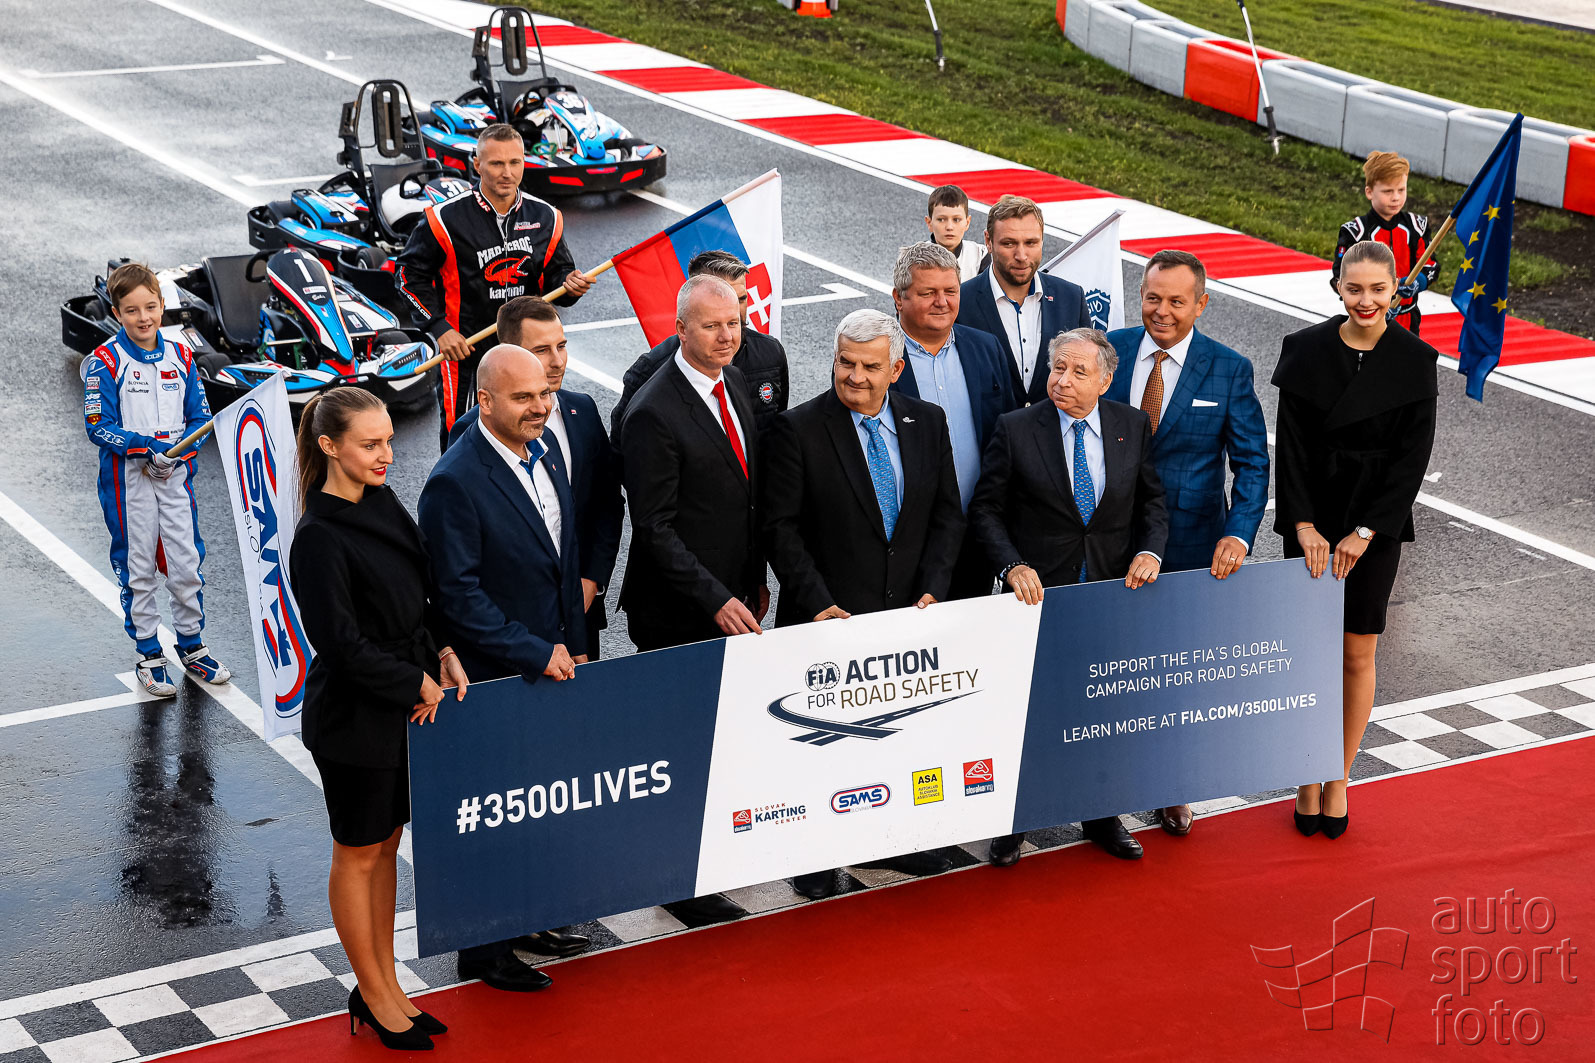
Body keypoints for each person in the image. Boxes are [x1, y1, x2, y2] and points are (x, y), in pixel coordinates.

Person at [289, 387, 470, 1051]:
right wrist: (413, 680)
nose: (386, 454)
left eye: (388, 440)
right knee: (358, 852)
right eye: (370, 444)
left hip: (401, 709)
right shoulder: (318, 537)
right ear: (330, 446)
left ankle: (386, 985)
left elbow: (419, 594)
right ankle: (371, 991)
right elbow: (340, 644)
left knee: (388, 844)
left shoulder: (382, 499)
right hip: (355, 720)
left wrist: (442, 651)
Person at [761, 309, 966, 897]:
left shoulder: (928, 421)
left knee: (900, 736)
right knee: (823, 744)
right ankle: (815, 858)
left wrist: (934, 588)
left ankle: (895, 841)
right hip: (827, 620)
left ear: (895, 369)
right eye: (845, 363)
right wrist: (817, 602)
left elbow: (946, 515)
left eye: (870, 366)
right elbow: (780, 529)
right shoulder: (796, 430)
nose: (855, 376)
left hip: (908, 617)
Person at [418, 344, 588, 991]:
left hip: (553, 665)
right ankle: (483, 949)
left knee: (539, 804)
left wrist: (575, 644)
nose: (540, 406)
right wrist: (533, 651)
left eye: (543, 393)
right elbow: (458, 597)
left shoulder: (543, 453)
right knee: (496, 811)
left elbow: (561, 562)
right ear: (484, 401)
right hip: (495, 678)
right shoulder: (455, 481)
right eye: (523, 397)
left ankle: (529, 919)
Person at [970, 328, 1168, 866]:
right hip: (1035, 600)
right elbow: (986, 510)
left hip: (1108, 595)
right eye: (1058, 367)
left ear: (1105, 380)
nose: (1063, 380)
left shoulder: (1131, 425)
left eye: (1080, 372)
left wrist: (1150, 551)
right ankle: (1017, 820)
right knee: (1031, 713)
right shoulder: (1015, 428)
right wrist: (1011, 565)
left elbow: (1151, 502)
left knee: (1101, 711)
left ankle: (1100, 815)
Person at [1275, 241, 1438, 841]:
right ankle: (1306, 775)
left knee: (1355, 653)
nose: (1365, 300)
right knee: (1309, 654)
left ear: (1396, 290)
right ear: (1337, 288)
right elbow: (1290, 449)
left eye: (1377, 289)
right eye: (1354, 288)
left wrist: (1366, 531)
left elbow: (1411, 461)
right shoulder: (1304, 350)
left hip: (1374, 526)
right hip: (1313, 523)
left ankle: (1338, 776)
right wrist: (1303, 525)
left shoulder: (1416, 359)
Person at [1105, 250, 1270, 837]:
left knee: (1176, 674)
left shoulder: (1228, 369)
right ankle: (1105, 788)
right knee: (1109, 666)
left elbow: (1253, 463)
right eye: (1153, 298)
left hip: (1189, 545)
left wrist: (1238, 533)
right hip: (1107, 541)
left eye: (1177, 301)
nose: (1163, 311)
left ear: (1201, 304)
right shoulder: (1109, 351)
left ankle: (1173, 787)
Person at [619, 274, 766, 927]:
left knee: (721, 741)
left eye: (733, 322)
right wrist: (716, 598)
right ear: (680, 330)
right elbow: (654, 528)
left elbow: (744, 499)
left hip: (732, 598)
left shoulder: (734, 382)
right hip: (677, 613)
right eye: (712, 326)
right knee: (679, 752)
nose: (727, 335)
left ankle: (713, 858)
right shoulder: (653, 412)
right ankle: (677, 880)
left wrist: (752, 580)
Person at [82, 262, 230, 697]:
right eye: (131, 310)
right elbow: (98, 426)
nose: (143, 318)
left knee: (186, 564)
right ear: (117, 313)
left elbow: (201, 420)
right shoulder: (104, 362)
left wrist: (177, 453)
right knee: (138, 568)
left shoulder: (181, 355)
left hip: (175, 478)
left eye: (150, 307)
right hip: (128, 483)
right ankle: (149, 653)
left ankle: (192, 646)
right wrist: (147, 449)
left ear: (162, 305)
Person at [447, 297, 623, 663]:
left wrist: (591, 580)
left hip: (579, 616)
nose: (557, 361)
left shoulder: (581, 410)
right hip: (515, 633)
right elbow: (464, 571)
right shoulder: (470, 437)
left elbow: (606, 503)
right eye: (541, 350)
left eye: (561, 346)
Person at [396, 123, 592, 450]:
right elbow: (407, 275)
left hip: (528, 351)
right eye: (497, 163)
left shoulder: (547, 216)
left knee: (532, 427)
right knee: (464, 438)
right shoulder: (443, 219)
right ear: (477, 164)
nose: (507, 173)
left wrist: (569, 284)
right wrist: (439, 328)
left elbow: (558, 274)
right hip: (466, 352)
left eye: (515, 162)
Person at [888, 242, 1017, 598]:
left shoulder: (986, 347)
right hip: (909, 537)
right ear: (899, 298)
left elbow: (1006, 435)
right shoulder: (876, 360)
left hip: (977, 530)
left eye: (950, 291)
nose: (942, 302)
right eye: (928, 293)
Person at [610, 250, 789, 448]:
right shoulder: (650, 369)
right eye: (722, 299)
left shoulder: (771, 353)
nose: (735, 310)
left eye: (741, 299)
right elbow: (622, 448)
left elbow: (779, 433)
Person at [957, 195, 1093, 407]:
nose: (1021, 255)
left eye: (1031, 243)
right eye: (1009, 243)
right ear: (988, 241)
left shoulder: (1071, 298)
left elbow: (1088, 373)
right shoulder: (960, 302)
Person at [1331, 151, 1437, 336]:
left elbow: (1431, 266)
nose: (1396, 197)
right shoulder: (1355, 231)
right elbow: (1340, 277)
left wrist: (1417, 282)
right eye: (1388, 191)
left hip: (1407, 317)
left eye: (1401, 190)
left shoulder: (1417, 226)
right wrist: (1370, 303)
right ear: (1369, 192)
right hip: (1367, 318)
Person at [923, 184, 985, 281]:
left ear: (967, 222)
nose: (949, 227)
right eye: (941, 220)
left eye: (956, 220)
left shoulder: (980, 255)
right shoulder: (916, 259)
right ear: (929, 223)